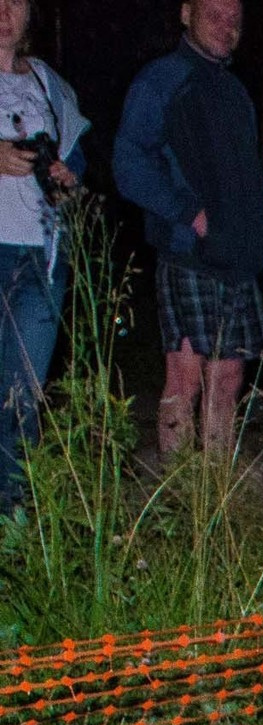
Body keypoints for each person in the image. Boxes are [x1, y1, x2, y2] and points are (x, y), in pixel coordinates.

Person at [112, 0, 263, 457]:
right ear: (186, 14)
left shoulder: (235, 90)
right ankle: (181, 499)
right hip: (188, 251)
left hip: (236, 256)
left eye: (235, 20)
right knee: (185, 375)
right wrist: (189, 214)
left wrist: (257, 234)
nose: (226, 27)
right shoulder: (160, 80)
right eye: (214, 15)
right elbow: (128, 164)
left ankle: (214, 498)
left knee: (228, 378)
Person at [0, 0, 86, 511]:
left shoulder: (49, 84)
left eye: (16, 1)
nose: (6, 10)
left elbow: (74, 155)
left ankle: (14, 533)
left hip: (41, 258)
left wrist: (65, 177)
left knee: (20, 402)